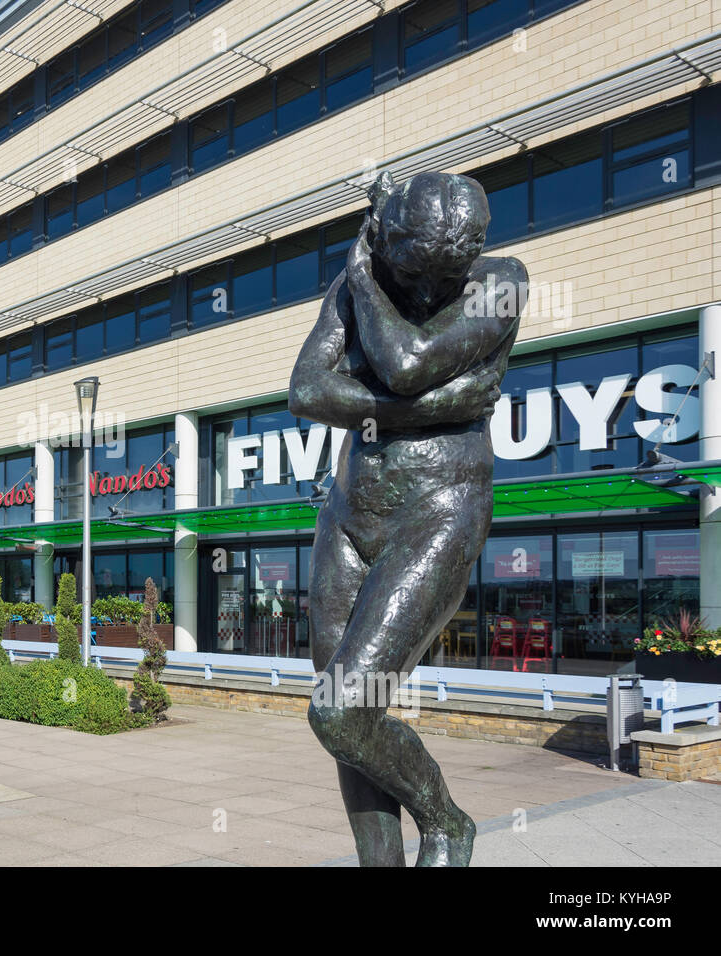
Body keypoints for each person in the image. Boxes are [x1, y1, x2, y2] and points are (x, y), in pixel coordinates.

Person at [288, 170, 527, 866]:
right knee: (344, 729)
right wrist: (432, 410)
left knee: (341, 709)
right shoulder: (358, 281)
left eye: (441, 282)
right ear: (384, 236)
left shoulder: (503, 279)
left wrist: (364, 285)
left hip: (439, 511)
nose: (423, 293)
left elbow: (405, 361)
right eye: (408, 273)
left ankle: (446, 822)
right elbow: (306, 389)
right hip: (347, 517)